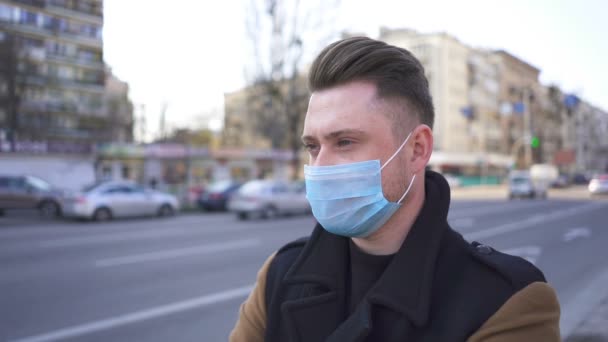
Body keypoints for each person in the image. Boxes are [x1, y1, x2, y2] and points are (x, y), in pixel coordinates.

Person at [230, 37, 560, 341]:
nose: (320, 167)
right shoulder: (279, 276)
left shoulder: (507, 301)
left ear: (417, 149)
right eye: (313, 146)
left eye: (344, 142)